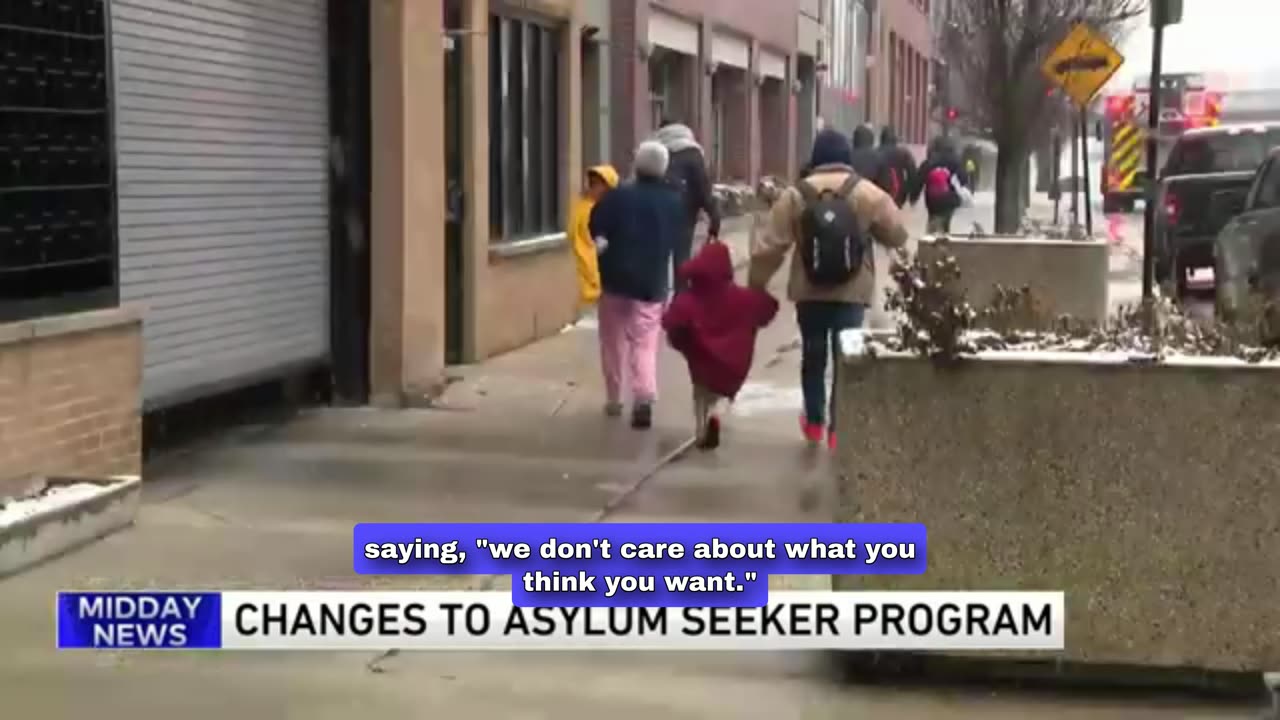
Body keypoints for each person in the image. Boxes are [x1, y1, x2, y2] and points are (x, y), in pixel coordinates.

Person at [749, 129, 909, 450]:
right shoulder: (867, 193)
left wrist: (757, 285)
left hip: (809, 290)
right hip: (853, 291)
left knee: (813, 353)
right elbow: (898, 235)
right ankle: (839, 427)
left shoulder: (795, 195)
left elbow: (770, 246)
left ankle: (813, 421)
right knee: (844, 357)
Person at [588, 141, 684, 429]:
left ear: (637, 164)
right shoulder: (673, 202)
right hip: (651, 284)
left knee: (611, 341)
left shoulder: (617, 197)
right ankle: (643, 396)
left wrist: (604, 244)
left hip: (615, 279)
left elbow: (596, 227)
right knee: (644, 342)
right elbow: (678, 243)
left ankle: (614, 397)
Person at [662, 237, 779, 450]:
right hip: (734, 363)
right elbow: (769, 308)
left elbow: (670, 321)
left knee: (700, 394)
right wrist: (760, 286)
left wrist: (681, 337)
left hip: (701, 360)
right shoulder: (743, 299)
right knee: (724, 395)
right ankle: (716, 414)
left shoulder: (690, 299)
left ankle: (700, 430)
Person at [654, 119, 721, 292]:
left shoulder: (653, 149)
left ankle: (654, 303)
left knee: (656, 259)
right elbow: (703, 187)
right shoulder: (692, 152)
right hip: (683, 213)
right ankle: (680, 304)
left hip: (655, 212)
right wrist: (714, 216)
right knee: (681, 261)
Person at [568, 164, 619, 312]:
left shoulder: (608, 210)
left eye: (599, 184)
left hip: (599, 276)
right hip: (581, 269)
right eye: (592, 183)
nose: (594, 187)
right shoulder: (582, 206)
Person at [911, 137, 969, 234]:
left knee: (934, 226)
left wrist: (913, 197)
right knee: (945, 222)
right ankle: (944, 237)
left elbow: (919, 180)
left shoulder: (929, 162)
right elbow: (963, 179)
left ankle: (934, 243)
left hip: (934, 201)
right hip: (950, 200)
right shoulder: (956, 162)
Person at [878, 125, 919, 208]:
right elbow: (912, 173)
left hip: (879, 191)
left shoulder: (876, 152)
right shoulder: (903, 153)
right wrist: (909, 192)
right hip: (898, 193)